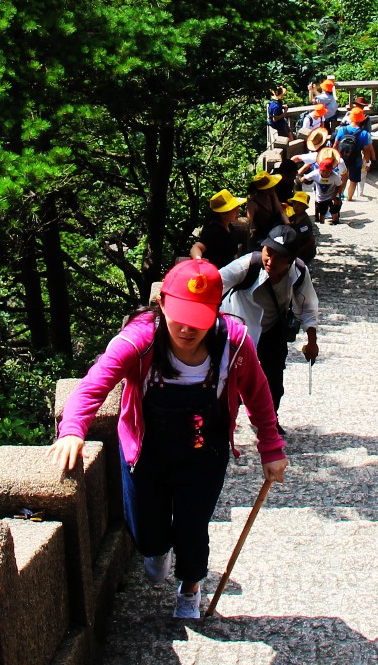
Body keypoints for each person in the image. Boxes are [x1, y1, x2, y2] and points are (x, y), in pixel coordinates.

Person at [51, 260, 287, 619]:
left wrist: (271, 448)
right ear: (162, 303)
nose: (188, 327)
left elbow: (258, 394)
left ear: (216, 311)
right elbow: (93, 385)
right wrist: (72, 430)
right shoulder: (139, 339)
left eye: (199, 317)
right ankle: (157, 548)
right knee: (146, 531)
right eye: (179, 314)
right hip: (146, 453)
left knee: (193, 529)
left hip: (203, 454)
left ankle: (190, 588)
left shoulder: (233, 343)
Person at [219, 227, 319, 413]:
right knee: (231, 379)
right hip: (237, 330)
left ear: (290, 260)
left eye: (279, 257)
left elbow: (308, 307)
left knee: (273, 379)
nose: (270, 261)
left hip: (271, 328)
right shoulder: (247, 265)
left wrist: (312, 341)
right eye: (268, 252)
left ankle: (270, 422)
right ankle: (226, 422)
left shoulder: (298, 272)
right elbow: (215, 284)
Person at [188, 189, 248, 264]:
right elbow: (196, 247)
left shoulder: (229, 226)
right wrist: (199, 262)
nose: (238, 211)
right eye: (234, 209)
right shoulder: (214, 230)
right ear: (223, 213)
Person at [333, 107, 373, 202]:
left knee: (342, 178)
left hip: (342, 159)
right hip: (356, 159)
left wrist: (336, 159)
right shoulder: (364, 134)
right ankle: (349, 198)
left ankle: (339, 195)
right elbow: (367, 151)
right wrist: (367, 162)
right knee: (353, 180)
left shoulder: (342, 130)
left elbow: (335, 145)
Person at [301, 146, 347, 223]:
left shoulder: (337, 170)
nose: (326, 173)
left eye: (328, 171)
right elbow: (304, 172)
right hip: (320, 188)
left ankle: (335, 220)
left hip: (333, 190)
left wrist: (338, 195)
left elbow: (343, 177)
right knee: (320, 206)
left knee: (334, 207)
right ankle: (318, 218)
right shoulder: (315, 169)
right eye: (324, 171)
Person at [245, 170, 287, 238]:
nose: (274, 186)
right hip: (263, 235)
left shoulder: (272, 194)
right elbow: (249, 222)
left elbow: (281, 211)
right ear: (264, 189)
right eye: (271, 185)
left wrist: (287, 224)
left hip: (277, 229)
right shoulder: (252, 203)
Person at [283, 189, 319, 265]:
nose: (296, 206)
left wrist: (298, 251)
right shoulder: (293, 217)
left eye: (300, 204)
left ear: (305, 207)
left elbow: (311, 241)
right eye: (295, 203)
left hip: (305, 252)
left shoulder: (305, 223)